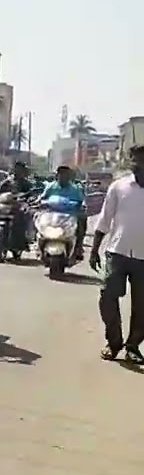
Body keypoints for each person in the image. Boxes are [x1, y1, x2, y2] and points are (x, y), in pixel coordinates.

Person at [89, 145, 144, 363]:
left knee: (142, 305)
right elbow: (104, 220)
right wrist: (94, 250)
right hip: (117, 252)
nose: (140, 165)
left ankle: (133, 346)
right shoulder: (119, 187)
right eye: (137, 161)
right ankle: (114, 342)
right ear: (131, 163)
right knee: (108, 297)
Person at [39, 165, 87, 258]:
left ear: (69, 176)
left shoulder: (75, 188)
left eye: (65, 175)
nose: (62, 177)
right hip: (51, 216)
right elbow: (42, 197)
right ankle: (38, 245)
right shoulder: (50, 187)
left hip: (69, 216)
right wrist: (38, 202)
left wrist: (82, 206)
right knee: (37, 219)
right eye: (60, 174)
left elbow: (81, 201)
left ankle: (78, 248)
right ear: (56, 176)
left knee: (82, 221)